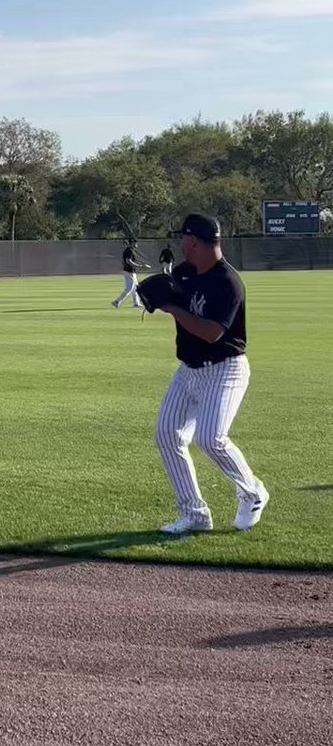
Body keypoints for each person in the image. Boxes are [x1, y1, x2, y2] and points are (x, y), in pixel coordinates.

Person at [153, 213, 268, 534]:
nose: (180, 244)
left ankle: (253, 492)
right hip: (188, 370)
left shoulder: (228, 283)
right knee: (167, 434)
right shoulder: (183, 273)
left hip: (225, 370)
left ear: (192, 242)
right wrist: (158, 298)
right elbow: (169, 295)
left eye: (182, 239)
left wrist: (172, 308)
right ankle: (195, 514)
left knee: (209, 438)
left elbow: (212, 333)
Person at [112, 241, 150, 309]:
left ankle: (136, 303)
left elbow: (125, 261)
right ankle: (117, 301)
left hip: (131, 271)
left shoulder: (130, 250)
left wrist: (138, 266)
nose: (136, 244)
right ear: (132, 243)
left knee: (135, 288)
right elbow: (128, 261)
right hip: (129, 272)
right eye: (135, 243)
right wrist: (140, 266)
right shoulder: (129, 250)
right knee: (129, 289)